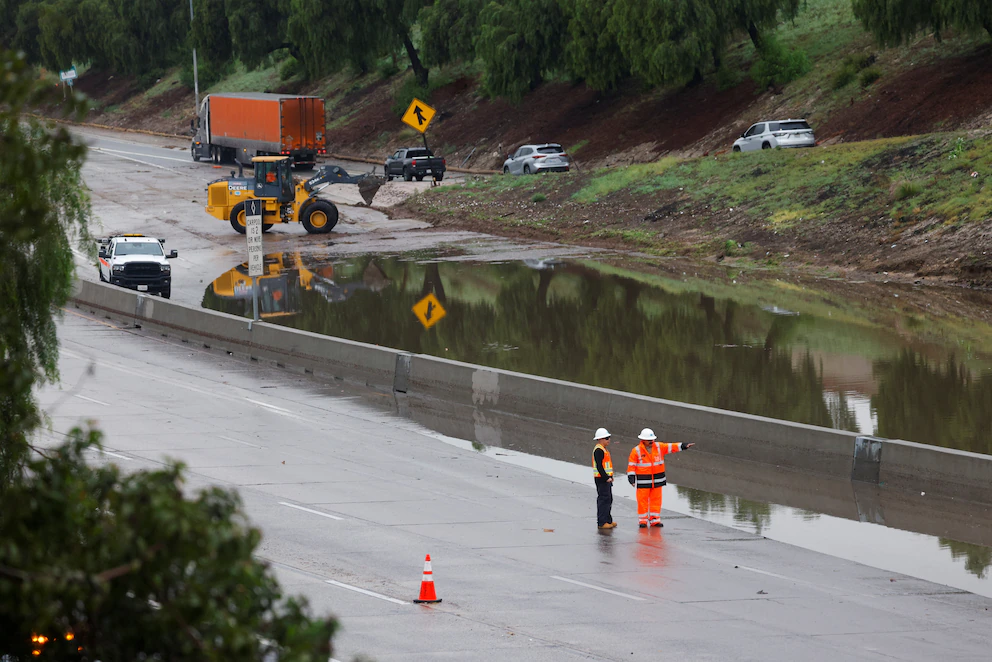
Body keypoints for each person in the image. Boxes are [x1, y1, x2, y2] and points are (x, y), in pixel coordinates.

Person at [627, 428, 695, 528]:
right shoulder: (636, 451)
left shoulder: (659, 447)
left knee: (656, 501)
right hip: (643, 482)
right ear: (643, 440)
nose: (651, 441)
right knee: (642, 501)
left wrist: (683, 445)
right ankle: (643, 520)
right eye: (649, 440)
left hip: (657, 481)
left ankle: (655, 520)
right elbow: (631, 466)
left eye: (652, 439)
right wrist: (631, 478)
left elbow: (671, 447)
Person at [592, 428, 617, 529]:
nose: (609, 440)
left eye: (609, 438)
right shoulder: (599, 450)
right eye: (607, 438)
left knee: (608, 499)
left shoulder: (603, 449)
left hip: (606, 479)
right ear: (600, 439)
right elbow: (599, 466)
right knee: (604, 500)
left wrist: (610, 476)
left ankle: (608, 520)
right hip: (601, 479)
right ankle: (602, 522)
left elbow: (606, 466)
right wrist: (606, 477)